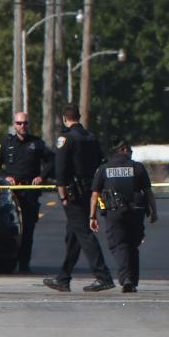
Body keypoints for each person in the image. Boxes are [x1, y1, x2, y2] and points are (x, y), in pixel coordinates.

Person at [43, 105, 114, 293]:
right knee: (73, 235)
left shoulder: (65, 138)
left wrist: (62, 195)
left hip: (73, 192)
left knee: (84, 233)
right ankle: (63, 278)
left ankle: (103, 276)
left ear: (65, 119)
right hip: (89, 190)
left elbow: (60, 170)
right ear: (79, 117)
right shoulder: (91, 137)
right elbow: (102, 161)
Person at [90, 138, 158, 293]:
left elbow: (94, 195)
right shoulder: (138, 168)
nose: (132, 153)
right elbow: (148, 192)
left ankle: (126, 278)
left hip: (114, 213)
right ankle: (132, 281)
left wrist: (92, 217)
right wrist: (154, 212)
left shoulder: (103, 169)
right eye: (131, 150)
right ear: (125, 150)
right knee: (132, 246)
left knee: (118, 245)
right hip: (136, 212)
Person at [0, 111, 54, 273]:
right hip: (12, 193)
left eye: (25, 123)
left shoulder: (36, 143)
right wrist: (6, 176)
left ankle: (24, 265)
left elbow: (51, 160)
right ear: (14, 124)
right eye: (19, 123)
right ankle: (6, 262)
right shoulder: (7, 143)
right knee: (9, 228)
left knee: (28, 230)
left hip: (30, 192)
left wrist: (42, 176)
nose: (22, 126)